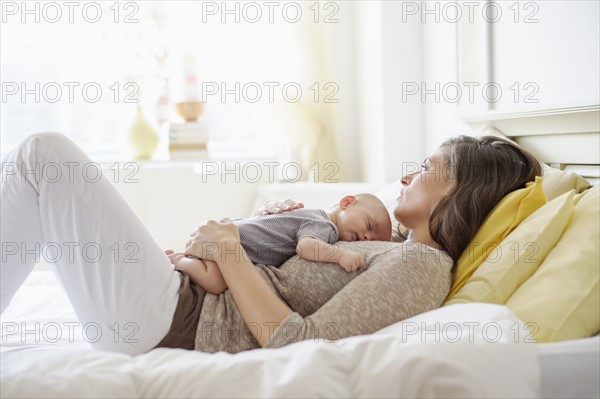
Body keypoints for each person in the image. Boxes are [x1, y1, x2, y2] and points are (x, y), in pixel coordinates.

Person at [0, 132, 541, 355]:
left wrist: (229, 250)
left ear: (460, 195)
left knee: (43, 156)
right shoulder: (390, 240)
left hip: (178, 320)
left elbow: (299, 343)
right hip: (177, 298)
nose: (408, 176)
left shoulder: (420, 267)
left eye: (428, 169)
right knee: (37, 167)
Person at [171, 193, 392, 295]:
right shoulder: (326, 226)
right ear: (346, 202)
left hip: (227, 235)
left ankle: (185, 259)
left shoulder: (311, 214)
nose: (366, 238)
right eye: (369, 225)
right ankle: (180, 260)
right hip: (228, 242)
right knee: (217, 283)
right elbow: (306, 247)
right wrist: (341, 256)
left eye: (372, 240)